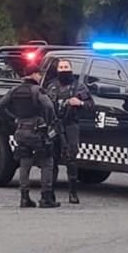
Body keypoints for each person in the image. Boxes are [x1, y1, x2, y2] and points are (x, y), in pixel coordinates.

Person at [0, 62, 59, 208]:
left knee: (25, 162)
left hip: (21, 130)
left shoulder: (14, 90)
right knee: (47, 162)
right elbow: (49, 106)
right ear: (34, 74)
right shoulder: (37, 90)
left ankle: (24, 198)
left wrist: (15, 117)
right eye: (39, 74)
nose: (40, 77)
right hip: (37, 131)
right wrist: (48, 122)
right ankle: (46, 198)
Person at [46, 60, 94, 204]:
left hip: (71, 125)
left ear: (71, 69)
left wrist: (79, 103)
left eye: (66, 67)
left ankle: (73, 193)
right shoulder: (52, 86)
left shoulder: (78, 87)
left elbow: (91, 106)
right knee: (52, 159)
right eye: (61, 67)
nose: (63, 70)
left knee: (71, 159)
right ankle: (50, 193)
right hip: (54, 125)